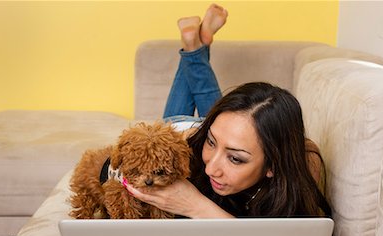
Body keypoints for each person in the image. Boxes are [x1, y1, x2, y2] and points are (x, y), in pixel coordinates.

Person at [125, 4, 330, 219]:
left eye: (235, 159)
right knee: (217, 122)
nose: (211, 169)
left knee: (230, 125)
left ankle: (195, 47)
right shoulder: (187, 151)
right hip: (183, 131)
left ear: (273, 166)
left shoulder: (304, 167)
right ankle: (195, 48)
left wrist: (195, 205)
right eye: (211, 143)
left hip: (216, 129)